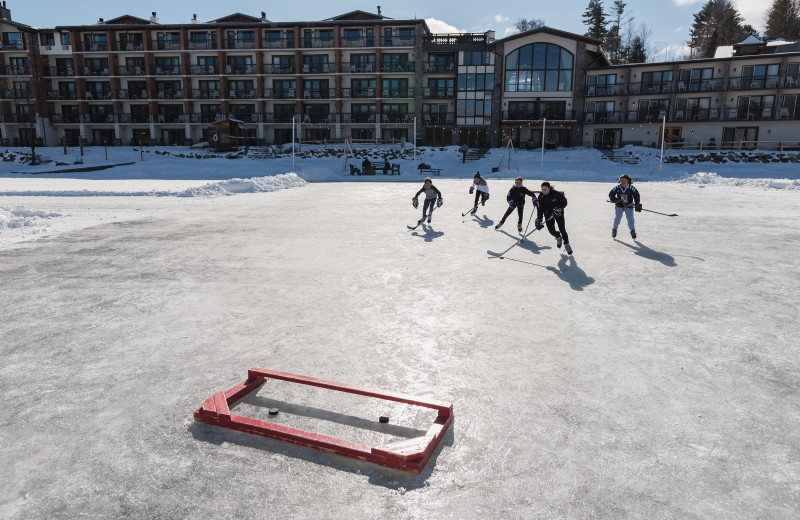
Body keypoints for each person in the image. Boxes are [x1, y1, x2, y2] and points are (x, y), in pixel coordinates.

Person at [535, 181, 572, 255]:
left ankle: (567, 244)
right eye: (542, 189)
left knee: (562, 229)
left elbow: (564, 202)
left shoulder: (555, 194)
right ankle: (558, 236)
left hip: (558, 213)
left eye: (545, 189)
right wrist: (539, 219)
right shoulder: (541, 196)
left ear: (549, 188)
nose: (543, 191)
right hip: (548, 214)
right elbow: (540, 209)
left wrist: (558, 208)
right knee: (551, 231)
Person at [608, 174, 642, 239]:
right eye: (621, 180)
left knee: (630, 219)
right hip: (619, 205)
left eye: (624, 180)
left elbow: (637, 195)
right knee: (618, 217)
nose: (623, 182)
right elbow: (611, 194)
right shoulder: (617, 187)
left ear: (628, 181)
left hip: (629, 205)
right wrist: (616, 200)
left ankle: (632, 231)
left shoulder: (631, 188)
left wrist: (637, 204)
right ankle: (614, 230)